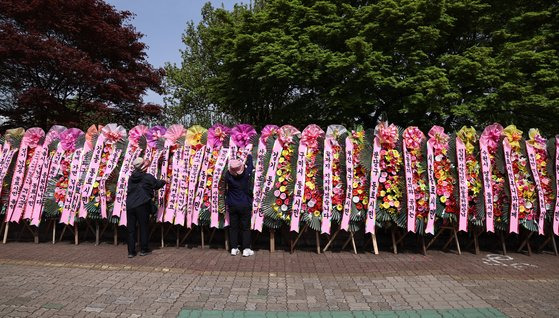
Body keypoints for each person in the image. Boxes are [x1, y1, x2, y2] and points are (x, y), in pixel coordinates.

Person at [126, 157, 165, 258]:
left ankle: (131, 252)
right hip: (142, 204)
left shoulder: (131, 177)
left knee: (131, 229)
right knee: (143, 227)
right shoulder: (147, 177)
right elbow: (156, 185)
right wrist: (164, 181)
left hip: (130, 205)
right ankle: (144, 249)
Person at [225, 155, 254, 257]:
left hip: (232, 204)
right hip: (244, 204)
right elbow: (251, 165)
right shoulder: (246, 174)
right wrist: (249, 155)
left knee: (233, 227)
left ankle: (233, 248)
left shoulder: (228, 175)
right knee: (245, 227)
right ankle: (246, 249)